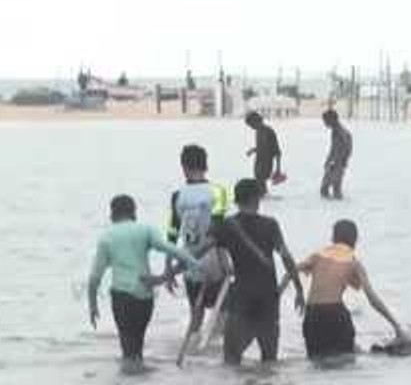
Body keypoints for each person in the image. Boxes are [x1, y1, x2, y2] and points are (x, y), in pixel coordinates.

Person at [88, 195, 199, 366]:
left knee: (127, 347)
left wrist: (93, 304)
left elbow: (95, 276)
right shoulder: (146, 230)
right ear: (134, 212)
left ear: (112, 214)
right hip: (145, 296)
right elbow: (169, 248)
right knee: (138, 342)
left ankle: (131, 377)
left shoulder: (107, 237)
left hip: (122, 296)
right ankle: (139, 374)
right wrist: (195, 263)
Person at [207, 178, 304, 365]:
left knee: (231, 361)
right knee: (269, 361)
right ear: (256, 198)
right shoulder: (270, 225)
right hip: (268, 298)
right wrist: (299, 289)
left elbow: (209, 247)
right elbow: (286, 257)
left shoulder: (227, 225)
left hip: (241, 297)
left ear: (237, 200)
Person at [297, 220, 403, 358]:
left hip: (312, 316)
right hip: (335, 314)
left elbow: (291, 270)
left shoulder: (317, 256)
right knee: (346, 360)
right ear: (355, 241)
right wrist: (396, 326)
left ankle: (362, 350)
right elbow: (372, 299)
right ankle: (378, 354)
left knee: (317, 361)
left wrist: (295, 292)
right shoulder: (353, 262)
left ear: (333, 239)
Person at [164, 144, 232, 342]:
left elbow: (172, 233)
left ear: (184, 167)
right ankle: (213, 351)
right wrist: (225, 262)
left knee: (196, 314)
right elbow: (218, 231)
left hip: (189, 263)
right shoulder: (218, 192)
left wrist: (168, 266)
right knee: (223, 311)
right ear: (206, 165)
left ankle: (191, 349)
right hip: (214, 261)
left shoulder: (177, 195)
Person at [245, 111, 282, 196]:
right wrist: (253, 150)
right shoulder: (258, 131)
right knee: (260, 183)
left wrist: (278, 169)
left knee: (261, 181)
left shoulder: (269, 131)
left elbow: (277, 151)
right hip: (259, 161)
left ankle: (263, 197)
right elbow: (261, 147)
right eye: (250, 126)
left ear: (256, 121)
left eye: (251, 125)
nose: (251, 127)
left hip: (266, 162)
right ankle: (264, 198)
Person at [320, 108, 352, 199]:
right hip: (337, 163)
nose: (324, 123)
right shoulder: (338, 130)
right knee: (334, 188)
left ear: (331, 120)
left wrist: (333, 162)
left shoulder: (339, 132)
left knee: (326, 188)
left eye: (325, 121)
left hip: (336, 164)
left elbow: (341, 149)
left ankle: (334, 206)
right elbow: (335, 149)